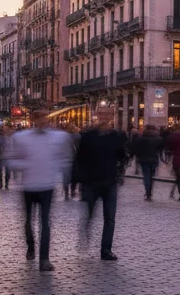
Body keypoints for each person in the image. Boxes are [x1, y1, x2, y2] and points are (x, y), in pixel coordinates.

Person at [9, 110, 73, 272]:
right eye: (39, 118)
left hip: (47, 185)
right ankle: (30, 245)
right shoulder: (21, 138)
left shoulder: (58, 137)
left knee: (45, 223)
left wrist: (60, 170)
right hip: (28, 185)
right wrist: (26, 165)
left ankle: (44, 259)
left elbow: (65, 158)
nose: (42, 121)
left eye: (45, 117)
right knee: (28, 221)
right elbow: (11, 160)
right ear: (33, 120)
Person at [74, 108, 126, 261]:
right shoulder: (88, 136)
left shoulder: (117, 136)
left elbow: (122, 156)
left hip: (110, 182)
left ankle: (106, 249)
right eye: (102, 114)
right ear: (97, 116)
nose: (105, 116)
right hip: (91, 182)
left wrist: (119, 172)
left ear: (112, 116)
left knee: (110, 218)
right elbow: (80, 159)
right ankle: (85, 232)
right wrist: (80, 180)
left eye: (108, 114)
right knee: (89, 214)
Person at [132, 127, 162, 200]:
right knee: (151, 176)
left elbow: (135, 148)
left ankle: (148, 192)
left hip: (144, 160)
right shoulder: (157, 139)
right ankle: (150, 192)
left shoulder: (140, 140)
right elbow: (160, 148)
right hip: (154, 160)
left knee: (146, 177)